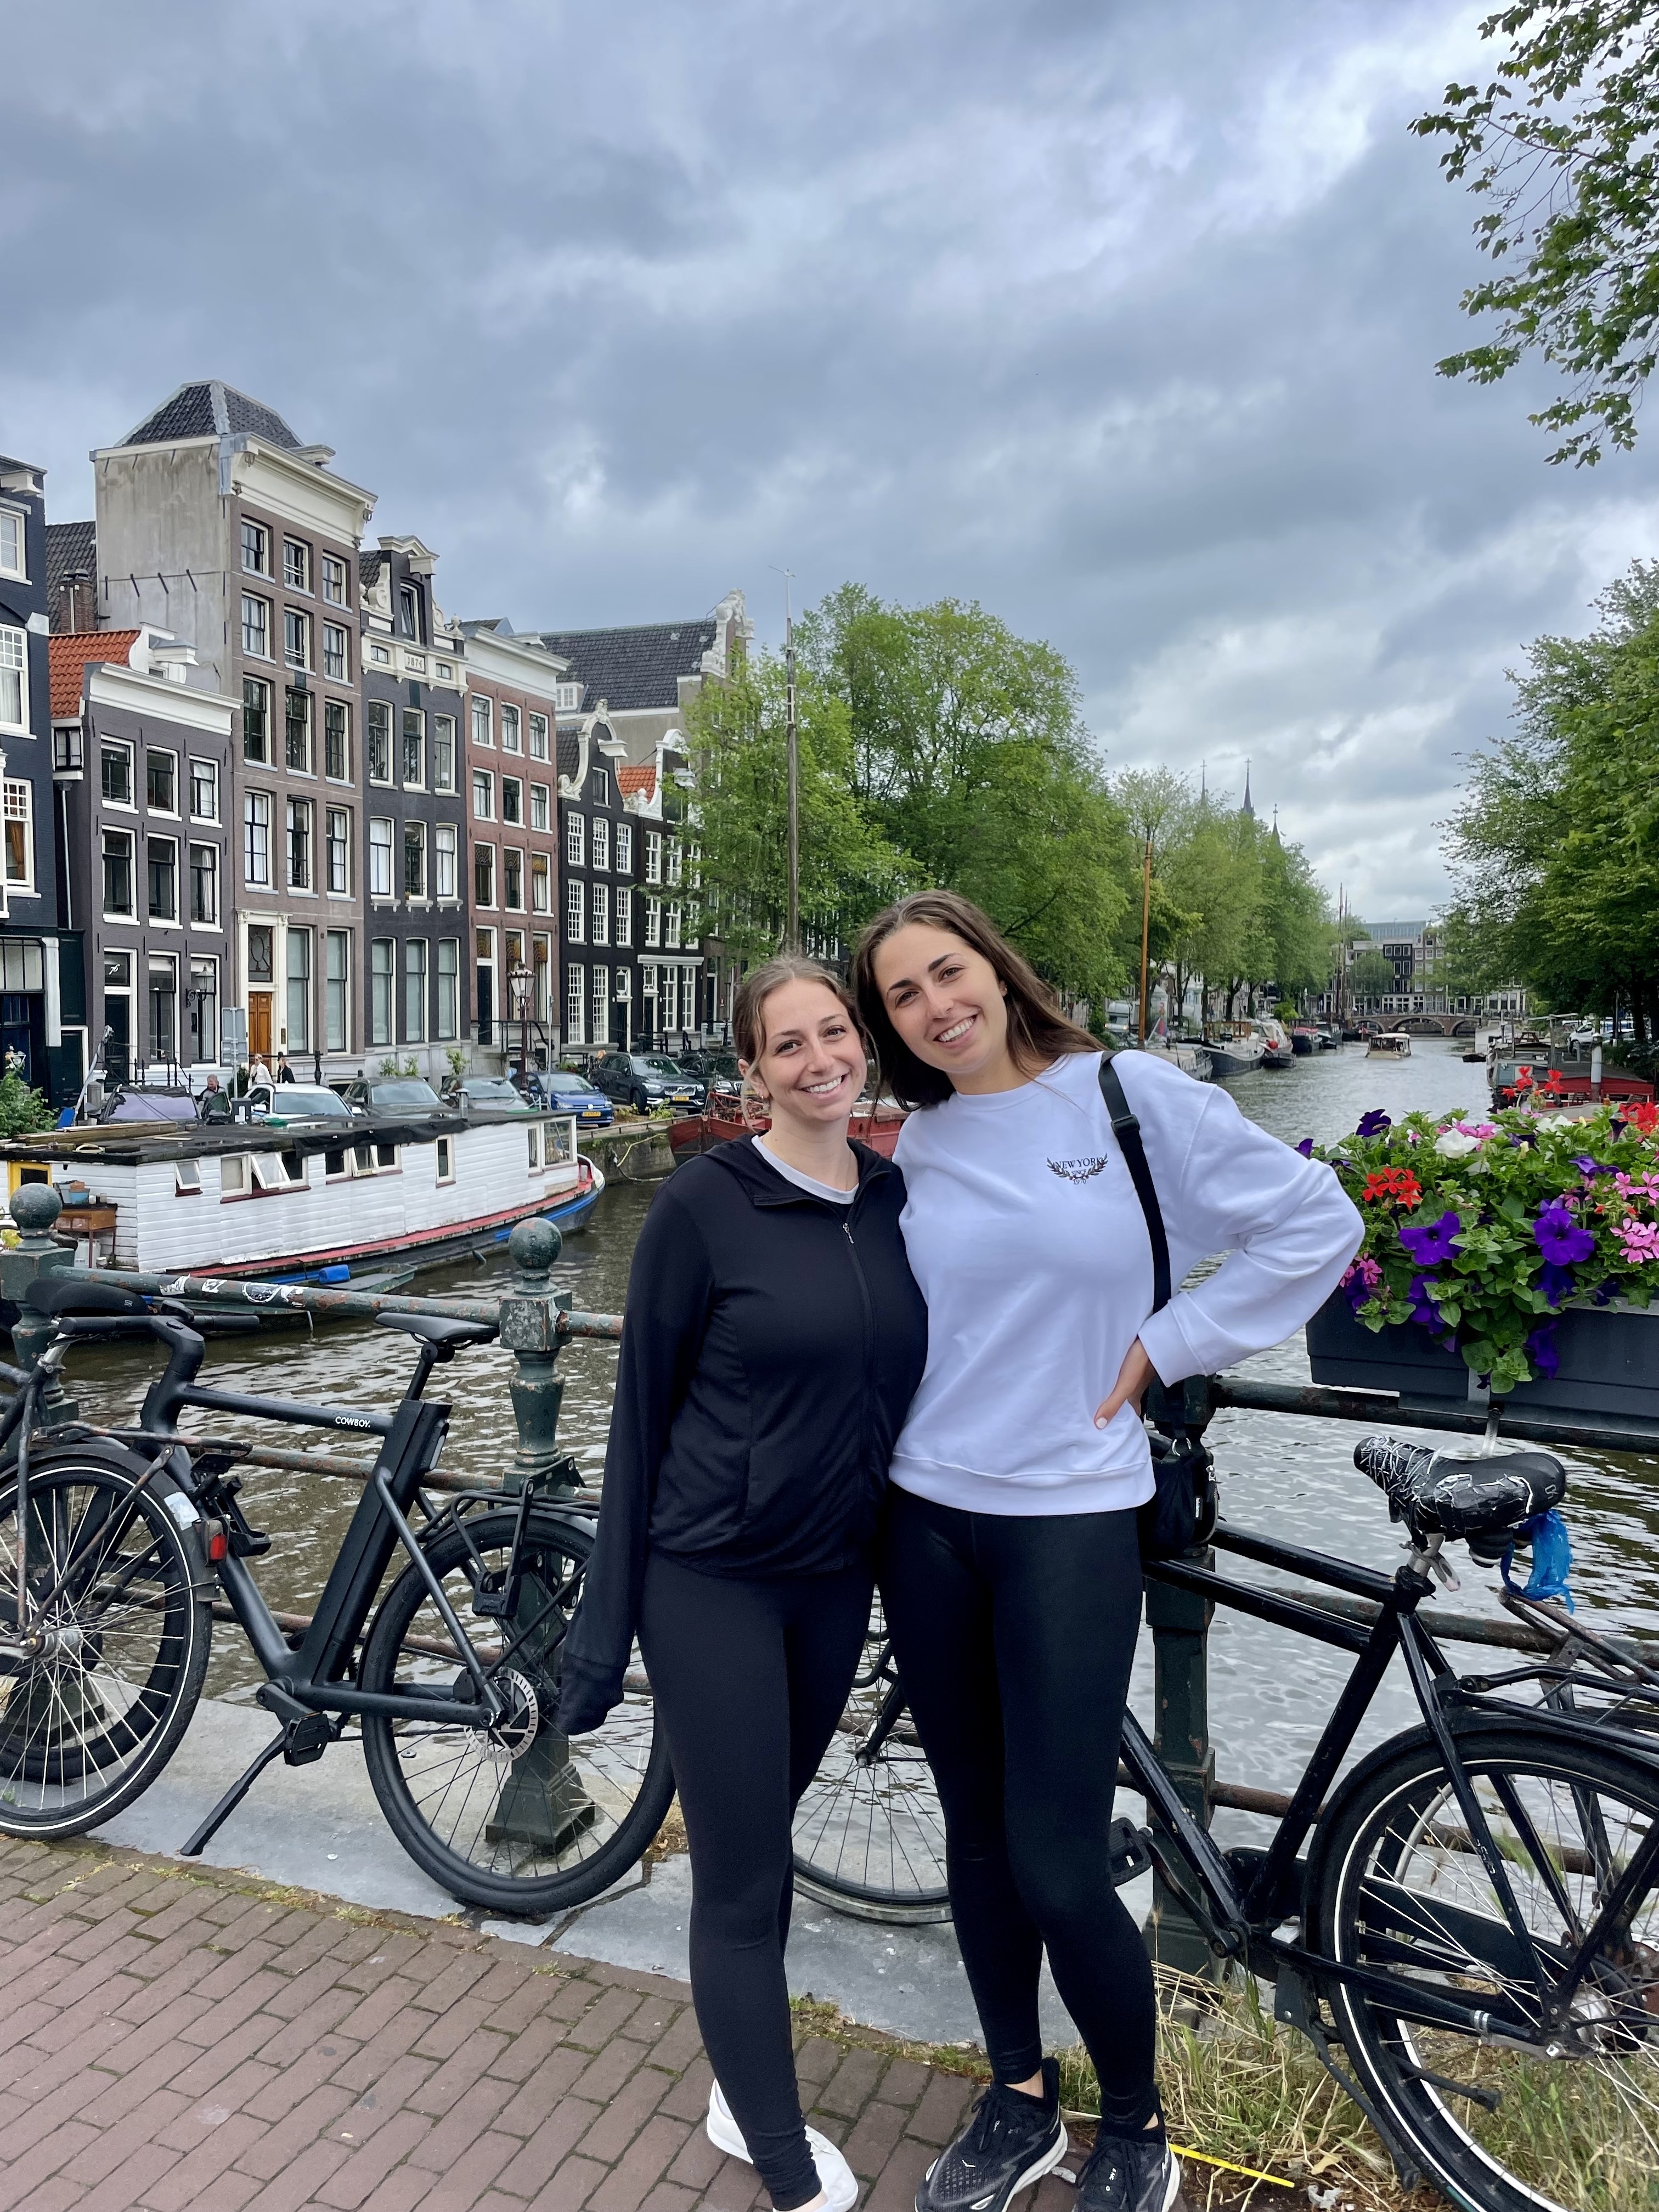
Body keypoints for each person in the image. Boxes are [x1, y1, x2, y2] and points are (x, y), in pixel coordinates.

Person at [851, 892, 1362, 2212]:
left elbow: (1320, 1223)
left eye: (947, 974)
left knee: (1060, 1852)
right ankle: (1018, 2095)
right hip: (926, 1517)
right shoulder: (921, 1140)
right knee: (973, 1833)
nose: (933, 1008)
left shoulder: (1129, 1096)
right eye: (903, 996)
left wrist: (1170, 1347)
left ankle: (1134, 2125)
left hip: (1071, 1515)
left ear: (999, 973)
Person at [556, 957, 928, 2212]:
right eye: (789, 1045)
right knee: (743, 1871)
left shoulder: (891, 1194)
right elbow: (639, 1423)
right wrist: (602, 1637)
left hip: (832, 1582)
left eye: (836, 1032)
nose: (821, 1058)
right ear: (753, 1069)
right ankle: (770, 2144)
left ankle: (736, 2078)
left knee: (766, 1832)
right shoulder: (704, 1208)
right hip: (711, 1577)